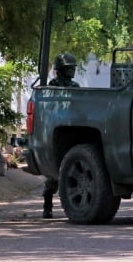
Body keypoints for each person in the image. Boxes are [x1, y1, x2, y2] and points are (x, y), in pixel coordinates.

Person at [42, 53, 79, 218]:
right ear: (61, 70)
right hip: (57, 132)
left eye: (73, 68)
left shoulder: (75, 87)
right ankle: (47, 204)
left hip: (72, 130)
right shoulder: (53, 87)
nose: (72, 71)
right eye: (69, 68)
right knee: (53, 175)